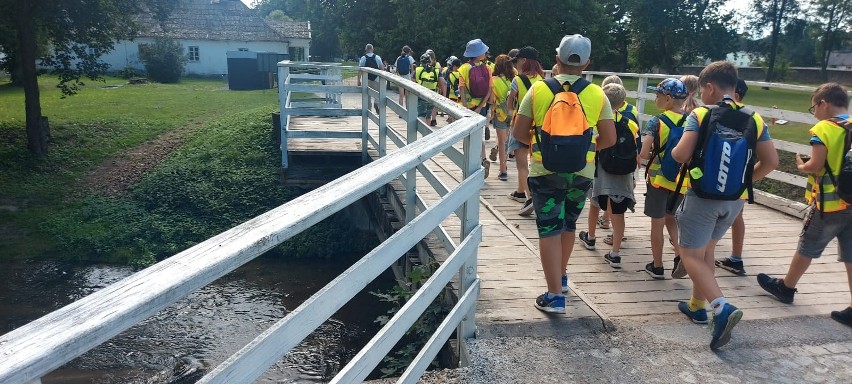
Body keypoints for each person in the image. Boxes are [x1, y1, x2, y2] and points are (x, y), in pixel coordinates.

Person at [671, 61, 778, 349]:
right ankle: (696, 305)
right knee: (707, 251)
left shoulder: (702, 114)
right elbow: (772, 162)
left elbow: (681, 155)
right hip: (734, 202)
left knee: (689, 254)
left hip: (703, 198)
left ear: (709, 87)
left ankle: (721, 307)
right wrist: (744, 183)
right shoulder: (753, 118)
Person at [512, 34, 616, 313]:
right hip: (582, 171)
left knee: (548, 229)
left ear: (556, 59)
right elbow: (609, 138)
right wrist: (585, 149)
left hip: (544, 171)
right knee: (568, 225)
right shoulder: (597, 94)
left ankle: (554, 295)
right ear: (587, 63)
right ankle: (561, 276)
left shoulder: (538, 90)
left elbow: (519, 133)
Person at [757, 82, 852, 327]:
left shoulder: (824, 127)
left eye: (814, 108)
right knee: (851, 255)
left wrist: (802, 165)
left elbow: (817, 165)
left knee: (807, 245)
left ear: (823, 103)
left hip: (829, 203)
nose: (815, 113)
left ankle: (786, 287)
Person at [629, 78, 689, 279]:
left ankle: (657, 265)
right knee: (671, 218)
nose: (656, 99)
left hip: (658, 180)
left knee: (657, 222)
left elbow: (644, 153)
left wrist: (639, 156)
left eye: (658, 96)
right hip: (681, 181)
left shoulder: (657, 122)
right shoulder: (692, 121)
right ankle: (679, 254)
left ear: (669, 99)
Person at [580, 83, 638, 267]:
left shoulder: (598, 122)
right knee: (618, 213)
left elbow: (594, 144)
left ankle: (590, 237)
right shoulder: (632, 124)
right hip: (622, 174)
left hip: (601, 172)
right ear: (622, 104)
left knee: (594, 204)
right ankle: (615, 252)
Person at [715, 78, 750, 275]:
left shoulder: (728, 115)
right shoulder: (752, 117)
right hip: (740, 178)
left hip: (722, 175)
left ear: (735, 95)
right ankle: (736, 257)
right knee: (737, 216)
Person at [506, 46, 545, 216]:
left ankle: (531, 197)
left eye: (518, 60)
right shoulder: (543, 80)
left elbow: (509, 103)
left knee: (522, 164)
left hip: (520, 123)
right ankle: (521, 191)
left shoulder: (517, 80)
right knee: (534, 162)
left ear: (523, 61)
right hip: (538, 126)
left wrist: (510, 115)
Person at [459, 38, 494, 178]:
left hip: (468, 107)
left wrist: (466, 108)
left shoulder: (463, 68)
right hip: (482, 107)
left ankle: (467, 166)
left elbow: (461, 89)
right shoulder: (488, 68)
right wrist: (481, 106)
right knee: (479, 135)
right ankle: (483, 159)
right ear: (479, 54)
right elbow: (490, 89)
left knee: (467, 137)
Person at [490, 54, 514, 181]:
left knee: (501, 141)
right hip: (513, 113)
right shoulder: (514, 79)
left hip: (500, 113)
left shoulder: (494, 80)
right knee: (507, 140)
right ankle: (505, 156)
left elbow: (492, 99)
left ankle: (503, 170)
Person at [414, 53, 444, 126]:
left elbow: (412, 83)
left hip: (421, 94)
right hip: (432, 94)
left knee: (421, 114)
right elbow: (443, 83)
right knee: (428, 115)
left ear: (421, 61)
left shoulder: (418, 70)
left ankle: (423, 134)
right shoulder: (436, 71)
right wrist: (442, 94)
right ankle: (427, 133)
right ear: (430, 61)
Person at [358, 44, 385, 113]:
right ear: (372, 49)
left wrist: (358, 80)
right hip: (376, 79)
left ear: (366, 50)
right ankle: (376, 103)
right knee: (377, 93)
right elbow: (382, 68)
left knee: (367, 95)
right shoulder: (377, 57)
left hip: (366, 79)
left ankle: (368, 110)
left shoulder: (363, 58)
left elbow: (360, 70)